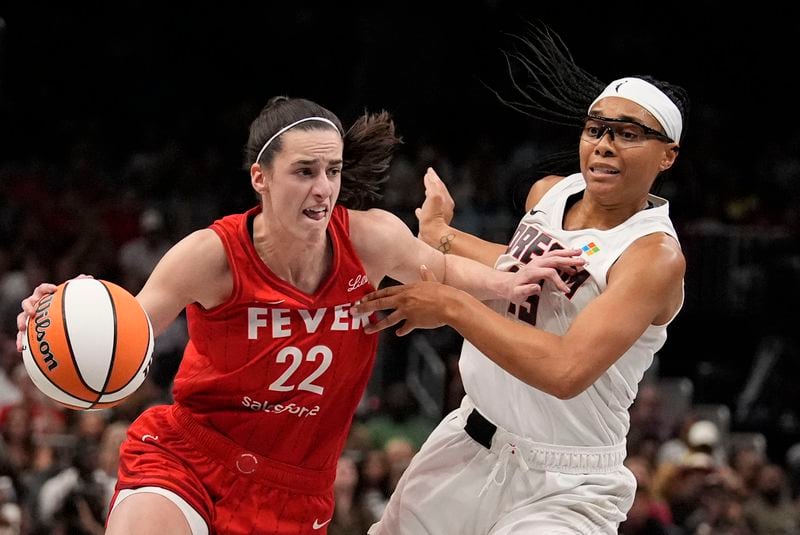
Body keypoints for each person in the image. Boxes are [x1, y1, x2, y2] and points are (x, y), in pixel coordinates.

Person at [15, 96, 583, 535]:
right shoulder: (210, 255)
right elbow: (123, 336)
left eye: (332, 171)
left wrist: (516, 276)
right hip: (190, 456)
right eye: (304, 171)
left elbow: (451, 274)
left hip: (293, 489)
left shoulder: (372, 240)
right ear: (260, 178)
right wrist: (56, 332)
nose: (323, 188)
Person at [355, 26, 689, 535]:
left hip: (565, 483)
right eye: (596, 129)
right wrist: (441, 235)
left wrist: (450, 306)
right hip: (466, 444)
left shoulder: (652, 256)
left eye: (628, 133)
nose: (604, 145)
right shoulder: (551, 193)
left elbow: (565, 370)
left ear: (667, 155)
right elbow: (511, 267)